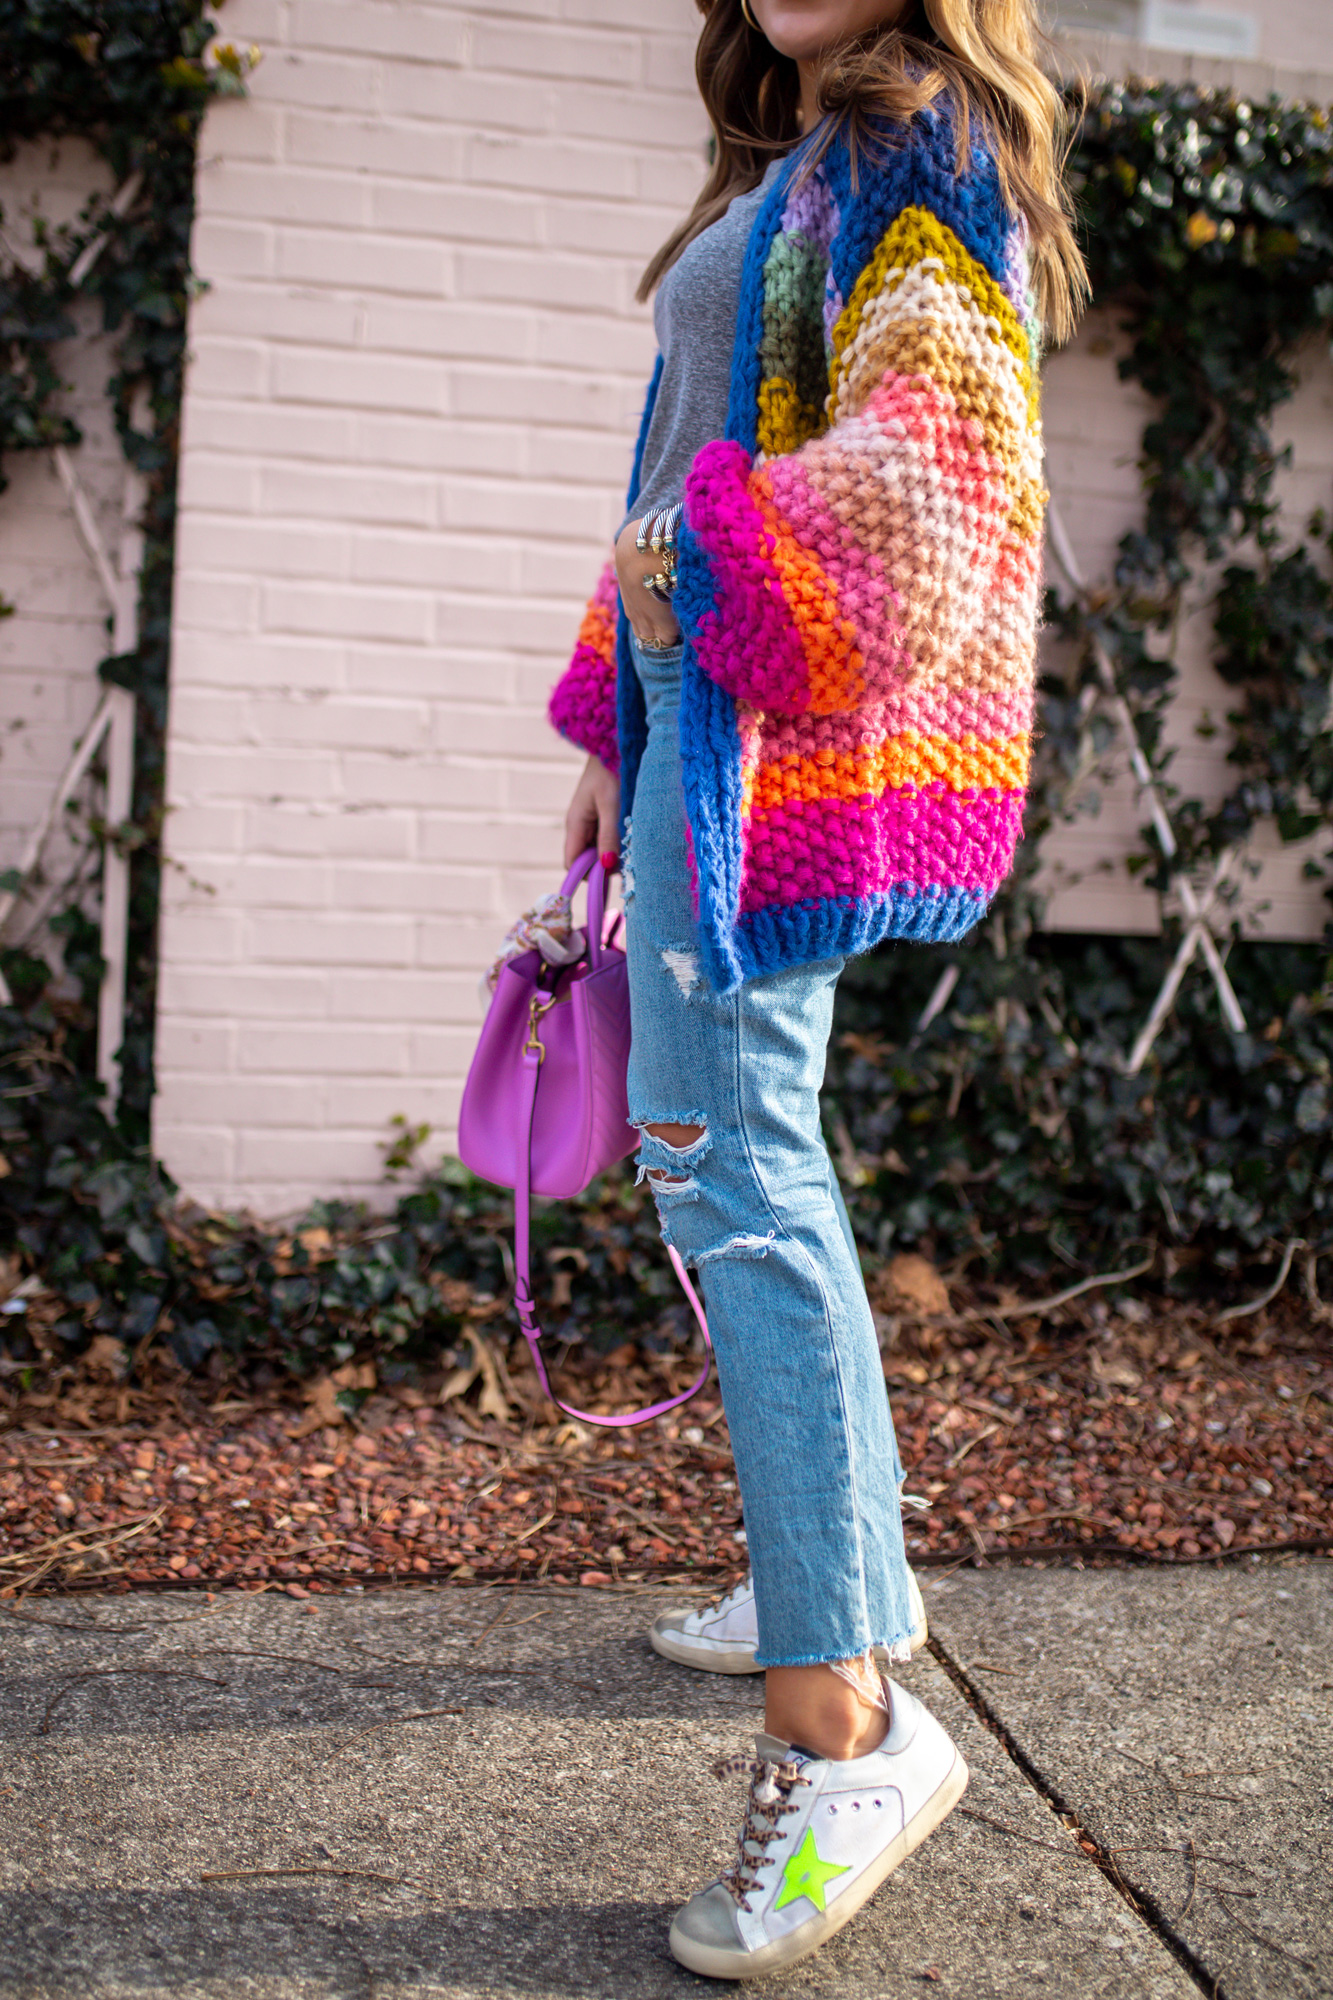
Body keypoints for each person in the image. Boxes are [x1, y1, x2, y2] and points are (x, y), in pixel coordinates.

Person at [547, 0, 1085, 1977]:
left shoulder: (918, 149)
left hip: (766, 751)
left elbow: (931, 500)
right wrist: (611, 734)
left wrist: (676, 568)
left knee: (734, 1172)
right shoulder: (806, 157)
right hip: (699, 741)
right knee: (754, 1167)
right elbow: (695, 451)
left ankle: (839, 1725)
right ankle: (835, 1572)